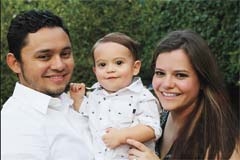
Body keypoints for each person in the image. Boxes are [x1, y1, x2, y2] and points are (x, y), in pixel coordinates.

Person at [127, 30, 240, 160]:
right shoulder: (154, 117)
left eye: (180, 75)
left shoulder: (221, 143)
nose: (167, 84)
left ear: (203, 81)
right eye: (160, 73)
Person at [1, 10, 93, 160]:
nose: (59, 65)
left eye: (65, 54)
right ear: (15, 63)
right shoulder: (16, 128)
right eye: (44, 57)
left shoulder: (74, 102)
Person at [70, 32, 162, 160]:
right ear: (95, 71)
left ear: (135, 67)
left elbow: (151, 129)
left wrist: (121, 136)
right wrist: (78, 99)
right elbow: (85, 114)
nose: (110, 69)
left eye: (118, 63)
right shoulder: (95, 95)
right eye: (102, 65)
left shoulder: (142, 97)